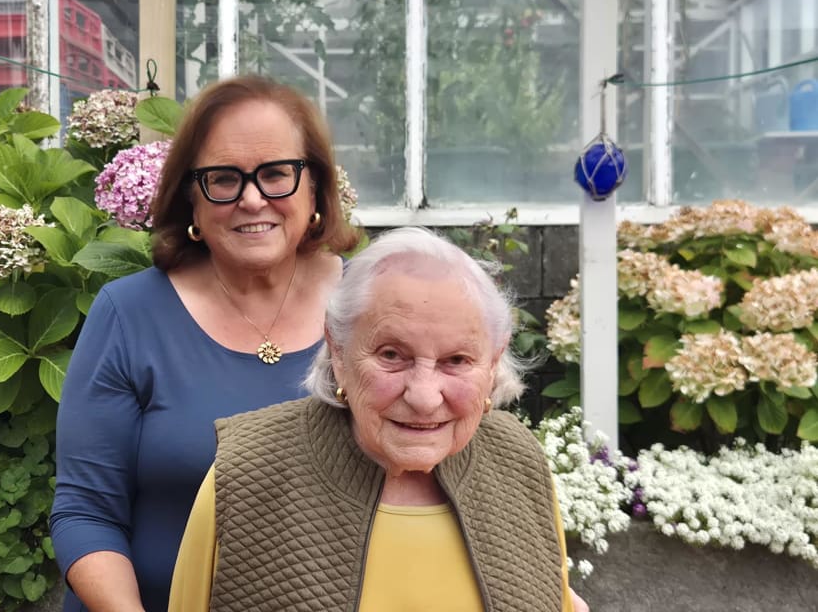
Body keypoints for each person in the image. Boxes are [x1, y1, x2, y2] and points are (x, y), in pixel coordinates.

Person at [50, 75, 361, 612]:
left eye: (276, 174)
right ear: (191, 197)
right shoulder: (129, 314)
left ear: (316, 188)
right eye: (223, 178)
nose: (251, 198)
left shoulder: (370, 310)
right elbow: (85, 511)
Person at [169, 227, 589, 611]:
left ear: (493, 362)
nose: (424, 397)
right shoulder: (248, 469)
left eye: (456, 360)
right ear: (338, 350)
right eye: (391, 355)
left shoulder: (519, 460)